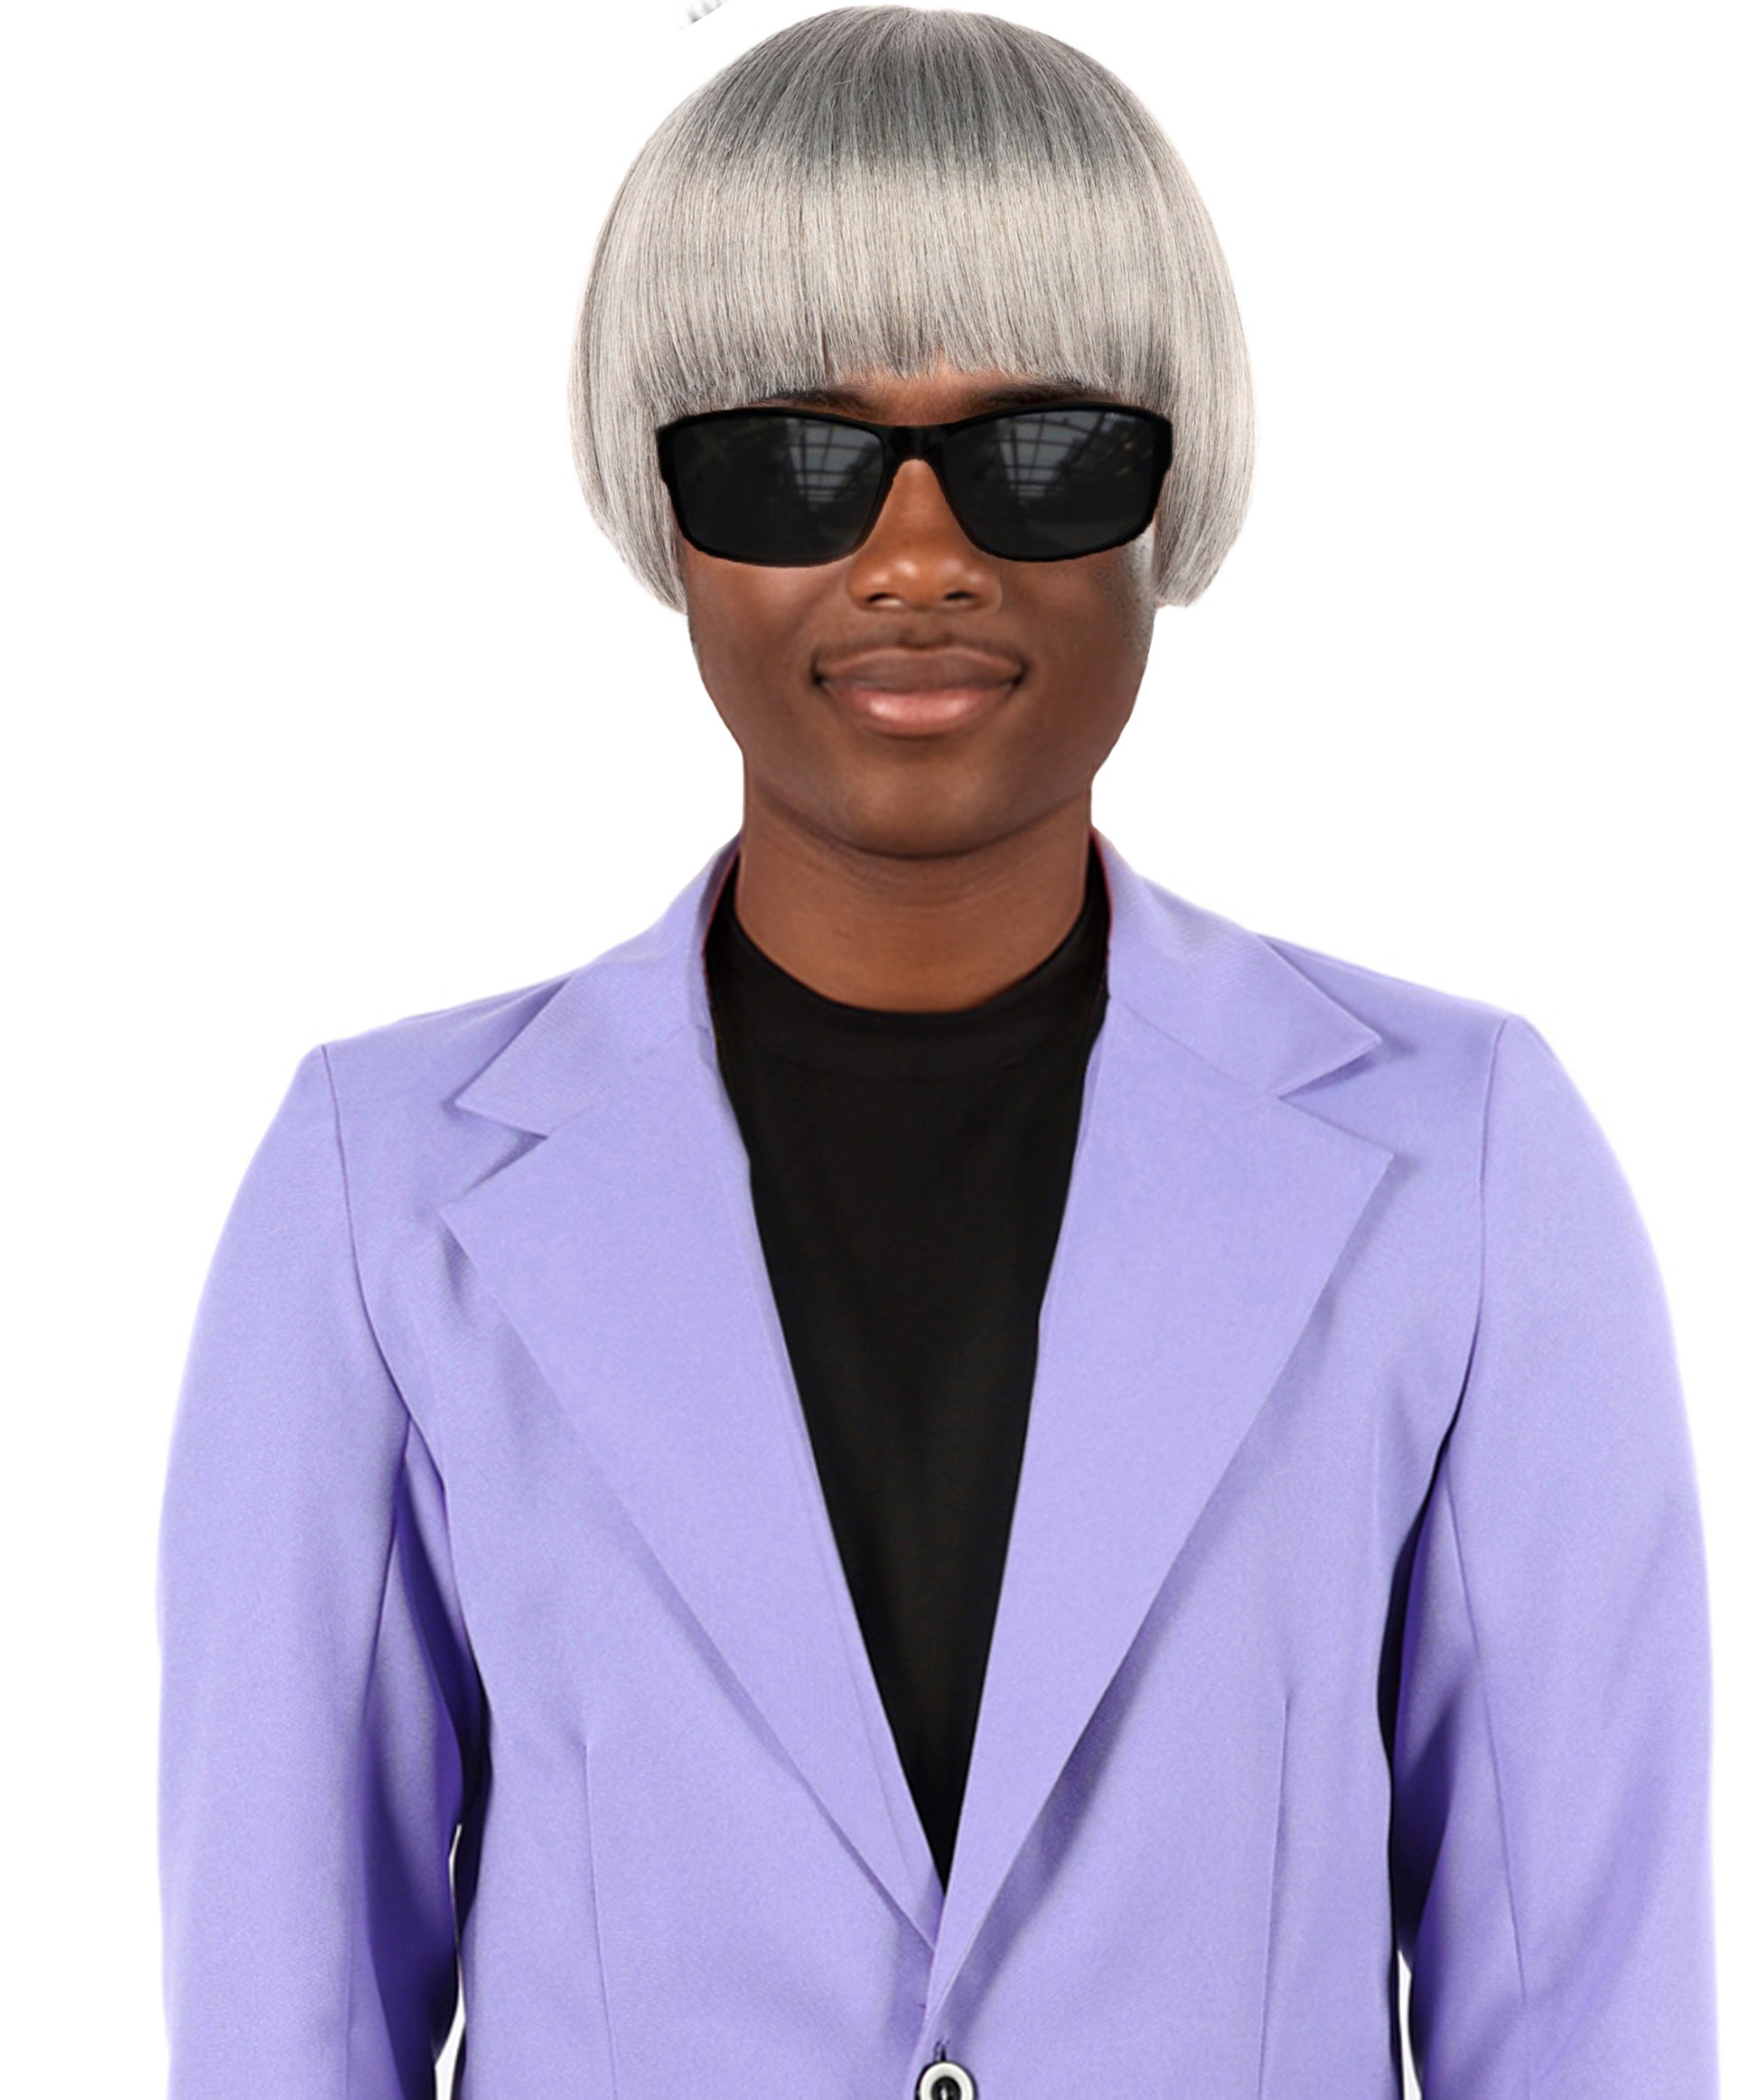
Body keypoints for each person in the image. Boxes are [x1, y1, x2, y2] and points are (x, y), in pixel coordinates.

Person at [154, 9, 1718, 2097]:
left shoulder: (1467, 1170)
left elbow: (1591, 2005)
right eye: (791, 460)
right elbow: (284, 2021)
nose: (915, 560)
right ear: (664, 510)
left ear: (1170, 492)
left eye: (1041, 453)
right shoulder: (384, 1196)